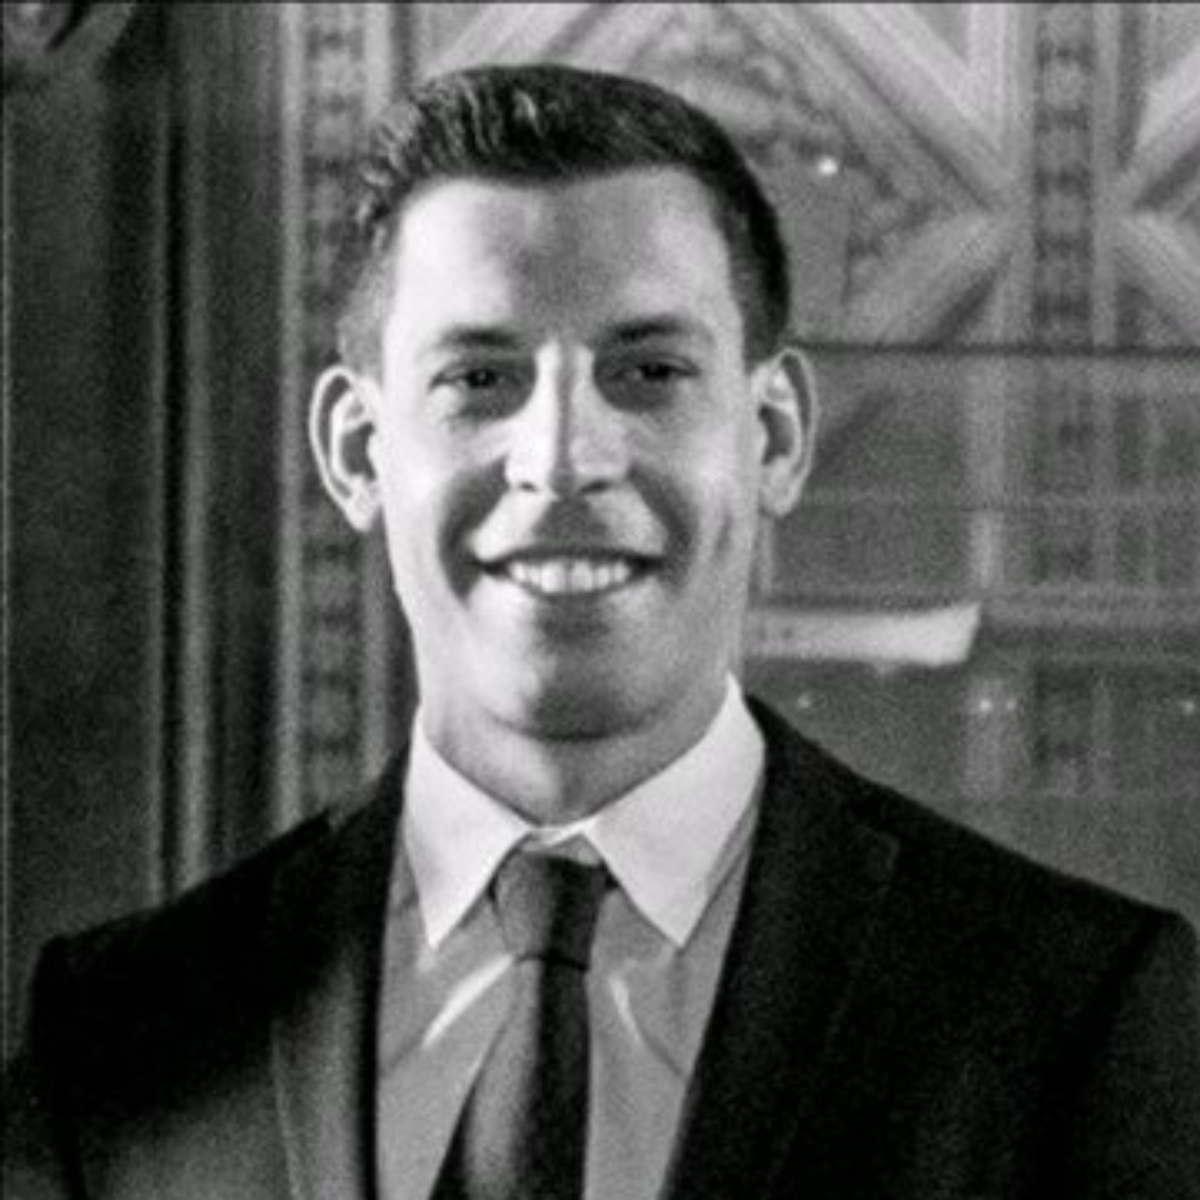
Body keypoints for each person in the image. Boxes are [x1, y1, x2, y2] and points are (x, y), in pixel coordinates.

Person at [8, 63, 1199, 1200]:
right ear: (356, 451)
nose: (565, 459)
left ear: (775, 435)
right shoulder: (118, 1038)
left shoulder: (1072, 1019)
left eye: (648, 371)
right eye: (480, 379)